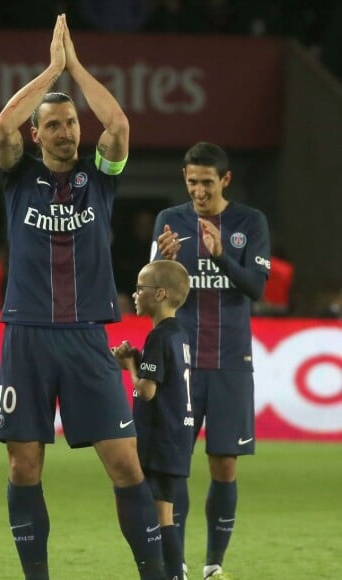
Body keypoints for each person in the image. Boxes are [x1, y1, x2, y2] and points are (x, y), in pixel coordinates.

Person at [0, 14, 166, 580]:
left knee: (125, 465)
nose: (68, 131)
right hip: (27, 335)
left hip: (89, 334)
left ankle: (154, 574)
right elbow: (0, 126)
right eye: (55, 125)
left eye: (71, 122)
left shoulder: (101, 177)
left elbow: (117, 122)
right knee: (23, 466)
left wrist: (76, 67)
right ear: (37, 136)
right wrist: (49, 71)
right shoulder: (19, 177)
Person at [151, 142, 271, 579]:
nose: (198, 191)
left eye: (206, 182)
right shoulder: (170, 221)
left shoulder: (249, 223)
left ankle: (214, 564)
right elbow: (152, 292)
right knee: (174, 465)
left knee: (224, 464)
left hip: (229, 362)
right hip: (180, 363)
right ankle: (177, 562)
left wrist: (220, 254)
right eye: (191, 182)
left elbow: (256, 288)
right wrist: (163, 263)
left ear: (225, 180)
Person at [111, 259, 193, 580]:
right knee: (166, 515)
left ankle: (170, 574)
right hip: (178, 436)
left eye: (140, 288)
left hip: (160, 436)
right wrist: (135, 362)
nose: (134, 294)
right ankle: (176, 574)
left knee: (158, 516)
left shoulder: (159, 337)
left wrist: (131, 363)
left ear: (159, 294)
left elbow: (146, 391)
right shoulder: (180, 335)